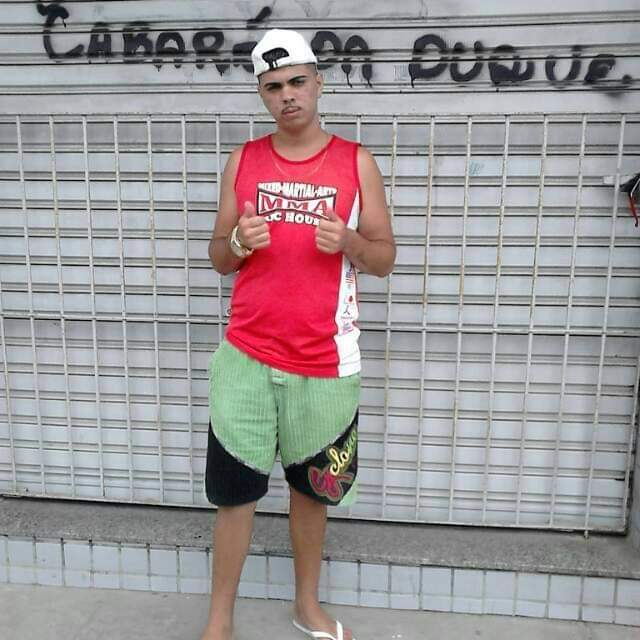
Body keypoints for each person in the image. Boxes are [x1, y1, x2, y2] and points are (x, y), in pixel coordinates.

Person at [201, 28, 395, 640]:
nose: (287, 95)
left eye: (297, 82)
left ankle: (306, 606)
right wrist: (237, 243)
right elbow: (218, 256)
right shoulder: (244, 159)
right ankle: (219, 621)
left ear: (318, 84)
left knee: (312, 492)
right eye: (273, 86)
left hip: (325, 360)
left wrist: (351, 242)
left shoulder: (356, 161)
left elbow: (384, 258)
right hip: (247, 356)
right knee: (235, 494)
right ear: (262, 94)